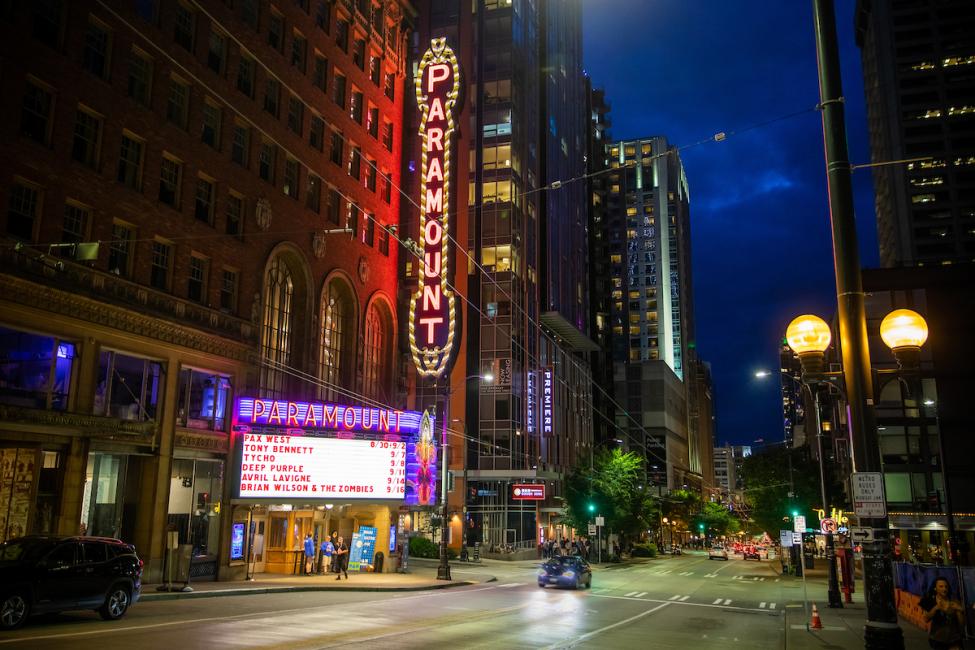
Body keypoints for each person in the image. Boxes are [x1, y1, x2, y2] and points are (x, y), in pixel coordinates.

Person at [921, 577, 965, 650]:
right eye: (941, 586)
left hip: (954, 639)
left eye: (946, 587)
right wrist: (935, 608)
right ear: (935, 588)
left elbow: (962, 624)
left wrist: (960, 610)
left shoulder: (954, 602)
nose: (944, 589)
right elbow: (926, 619)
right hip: (937, 639)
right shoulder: (930, 601)